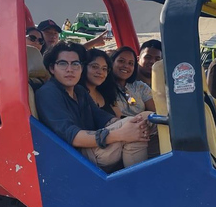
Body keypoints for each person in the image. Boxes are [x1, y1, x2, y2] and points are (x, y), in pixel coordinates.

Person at [35, 41, 150, 170]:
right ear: (52, 68)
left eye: (75, 64)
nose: (70, 69)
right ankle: (136, 183)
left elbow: (102, 117)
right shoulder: (48, 93)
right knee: (135, 127)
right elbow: (73, 137)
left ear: (81, 68)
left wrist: (128, 125)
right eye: (62, 64)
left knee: (143, 120)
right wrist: (121, 133)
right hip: (76, 155)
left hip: (93, 146)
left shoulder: (79, 90)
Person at [110, 46, 156, 117]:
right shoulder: (104, 87)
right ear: (112, 62)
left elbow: (156, 113)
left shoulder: (140, 87)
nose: (126, 66)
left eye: (130, 63)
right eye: (121, 61)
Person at [80, 49, 121, 117]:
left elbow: (120, 118)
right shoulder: (76, 94)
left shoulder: (106, 93)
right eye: (95, 67)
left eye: (104, 69)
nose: (100, 72)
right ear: (83, 67)